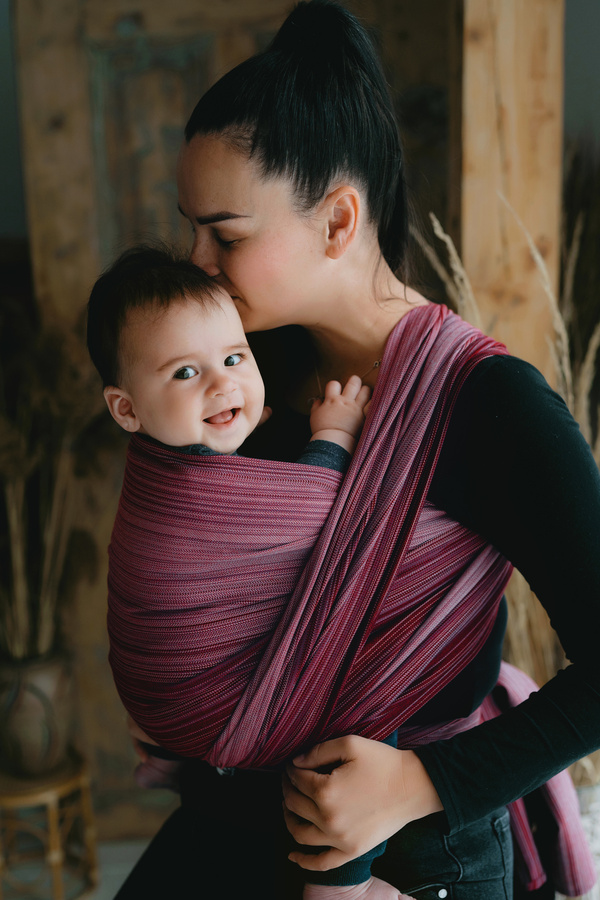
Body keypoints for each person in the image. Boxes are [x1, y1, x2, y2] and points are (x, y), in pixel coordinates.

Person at [110, 2, 600, 899]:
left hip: (410, 848)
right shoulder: (245, 380)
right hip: (233, 812)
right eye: (189, 230)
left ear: (339, 221)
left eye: (224, 234)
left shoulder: (486, 404)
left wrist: (419, 785)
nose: (194, 260)